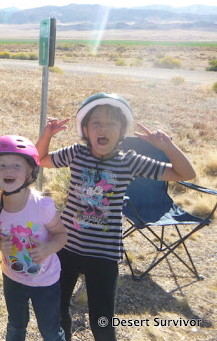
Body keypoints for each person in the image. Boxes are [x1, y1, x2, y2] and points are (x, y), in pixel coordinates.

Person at [35, 92, 196, 341]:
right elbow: (40, 159)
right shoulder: (76, 153)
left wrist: (166, 146)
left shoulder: (130, 161)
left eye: (111, 123)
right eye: (96, 123)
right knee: (57, 310)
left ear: (122, 130)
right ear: (86, 130)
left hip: (104, 253)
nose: (103, 128)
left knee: (102, 322)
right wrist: (47, 135)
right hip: (65, 246)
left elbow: (185, 173)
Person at [0, 135, 67, 341]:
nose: (9, 170)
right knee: (15, 325)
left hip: (45, 280)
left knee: (49, 330)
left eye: (16, 165)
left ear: (30, 171)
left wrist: (47, 249)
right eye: (1, 165)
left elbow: (61, 234)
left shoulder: (41, 206)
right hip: (12, 277)